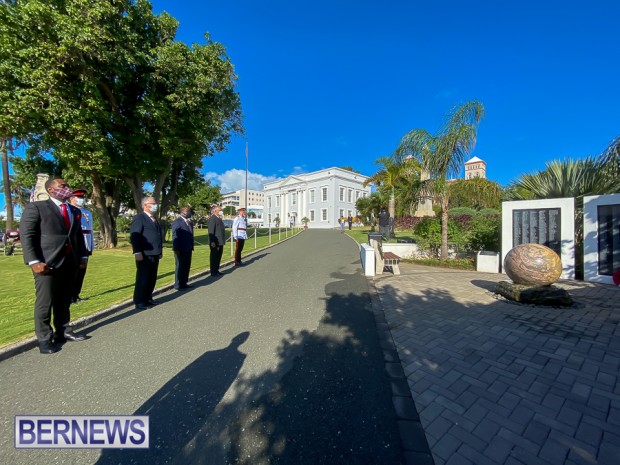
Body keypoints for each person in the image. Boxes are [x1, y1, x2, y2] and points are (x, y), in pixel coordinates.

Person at [21, 178, 89, 354]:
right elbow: (27, 235)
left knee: (64, 299)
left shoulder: (74, 210)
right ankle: (44, 338)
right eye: (63, 186)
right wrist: (34, 261)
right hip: (47, 262)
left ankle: (63, 330)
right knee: (45, 301)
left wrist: (82, 255)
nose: (67, 188)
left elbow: (77, 235)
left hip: (70, 261)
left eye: (68, 185)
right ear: (51, 190)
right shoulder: (37, 207)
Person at [130, 197, 163, 310]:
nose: (155, 205)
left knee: (152, 277)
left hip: (154, 252)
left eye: (155, 203)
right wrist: (137, 251)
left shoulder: (154, 218)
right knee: (143, 277)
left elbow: (157, 236)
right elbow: (135, 236)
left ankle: (148, 298)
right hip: (144, 253)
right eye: (153, 203)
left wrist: (160, 251)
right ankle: (139, 301)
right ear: (145, 205)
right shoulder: (140, 218)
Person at [69, 189, 94, 303]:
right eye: (78, 197)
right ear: (71, 198)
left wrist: (91, 246)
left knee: (82, 272)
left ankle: (76, 294)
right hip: (76, 243)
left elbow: (91, 230)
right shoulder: (70, 210)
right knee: (73, 272)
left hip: (86, 243)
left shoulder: (87, 212)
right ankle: (69, 296)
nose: (81, 200)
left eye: (82, 198)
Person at [171, 205, 194, 290]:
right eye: (188, 211)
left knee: (186, 266)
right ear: (183, 212)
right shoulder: (177, 222)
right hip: (180, 249)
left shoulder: (189, 222)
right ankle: (178, 285)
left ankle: (184, 282)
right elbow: (175, 236)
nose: (189, 213)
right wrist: (176, 248)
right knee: (180, 267)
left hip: (188, 248)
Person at [207, 204, 226, 276]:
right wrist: (212, 241)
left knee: (218, 256)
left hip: (220, 241)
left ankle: (217, 270)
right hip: (215, 241)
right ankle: (213, 271)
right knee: (214, 257)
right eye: (220, 210)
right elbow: (211, 231)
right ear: (215, 211)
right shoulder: (212, 219)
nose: (221, 211)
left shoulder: (219, 219)